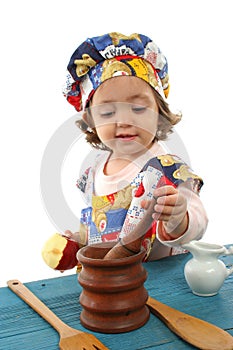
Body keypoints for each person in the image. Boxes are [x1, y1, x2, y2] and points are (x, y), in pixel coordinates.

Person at [42, 32, 208, 270]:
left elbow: (198, 222)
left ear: (159, 111)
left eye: (138, 108)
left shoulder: (168, 169)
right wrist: (80, 242)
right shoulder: (93, 172)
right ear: (90, 120)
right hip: (107, 286)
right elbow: (103, 229)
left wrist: (179, 218)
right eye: (108, 113)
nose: (124, 121)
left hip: (160, 285)